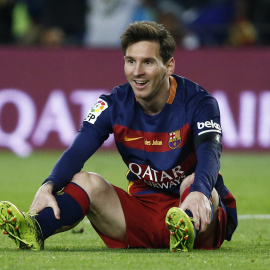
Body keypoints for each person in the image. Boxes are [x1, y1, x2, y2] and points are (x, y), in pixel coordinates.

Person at [0, 21, 237, 252]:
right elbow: (79, 149)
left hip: (196, 209)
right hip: (141, 214)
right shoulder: (112, 105)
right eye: (130, 61)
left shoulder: (199, 103)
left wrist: (200, 193)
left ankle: (184, 231)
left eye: (148, 62)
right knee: (85, 180)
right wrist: (48, 185)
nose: (137, 71)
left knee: (194, 183)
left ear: (169, 65)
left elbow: (210, 152)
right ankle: (34, 229)